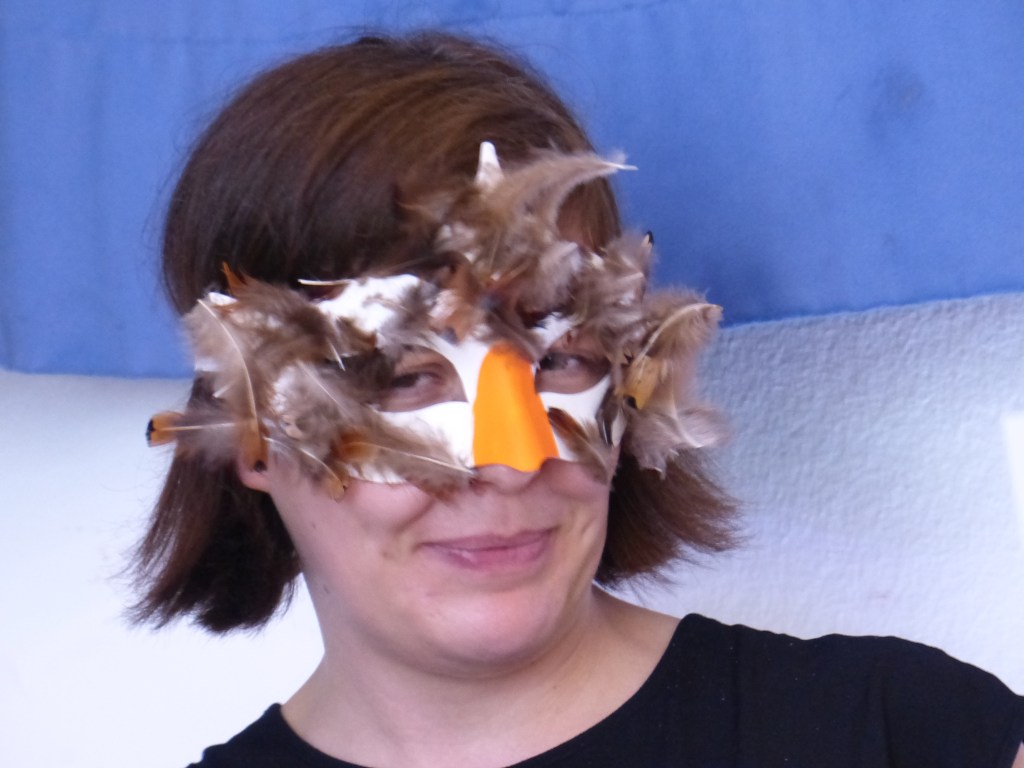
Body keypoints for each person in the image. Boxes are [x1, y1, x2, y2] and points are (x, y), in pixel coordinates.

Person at [133, 31, 1024, 768]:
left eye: (561, 359)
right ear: (251, 428)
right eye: (403, 377)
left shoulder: (904, 734)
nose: (515, 458)